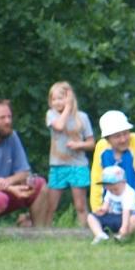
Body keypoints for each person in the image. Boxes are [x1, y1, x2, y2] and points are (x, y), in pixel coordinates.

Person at [33, 82, 95, 228]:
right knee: (51, 205)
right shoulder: (51, 115)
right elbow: (60, 126)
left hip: (78, 166)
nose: (56, 102)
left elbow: (91, 143)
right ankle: (45, 233)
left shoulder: (82, 117)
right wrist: (68, 107)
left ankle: (83, 232)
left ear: (69, 98)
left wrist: (79, 145)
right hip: (58, 166)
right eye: (53, 99)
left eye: (60, 98)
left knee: (80, 205)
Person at [90, 110, 135, 228]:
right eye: (117, 136)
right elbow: (97, 180)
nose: (123, 139)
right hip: (111, 208)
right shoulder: (101, 147)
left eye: (125, 133)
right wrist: (97, 209)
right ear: (107, 139)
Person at [87, 164, 135, 242]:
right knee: (91, 216)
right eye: (107, 186)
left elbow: (126, 212)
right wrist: (103, 210)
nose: (110, 189)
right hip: (112, 216)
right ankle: (100, 235)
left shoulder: (129, 193)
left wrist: (124, 227)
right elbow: (106, 204)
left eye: (114, 188)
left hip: (125, 218)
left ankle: (121, 236)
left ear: (123, 182)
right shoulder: (110, 191)